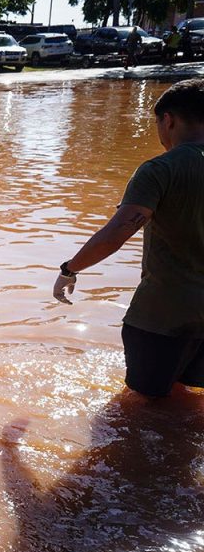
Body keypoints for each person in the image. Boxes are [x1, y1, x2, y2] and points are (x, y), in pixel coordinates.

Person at [52, 79, 204, 399]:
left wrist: (70, 269)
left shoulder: (161, 170)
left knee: (143, 405)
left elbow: (116, 234)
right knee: (185, 398)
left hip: (163, 314)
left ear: (168, 120)